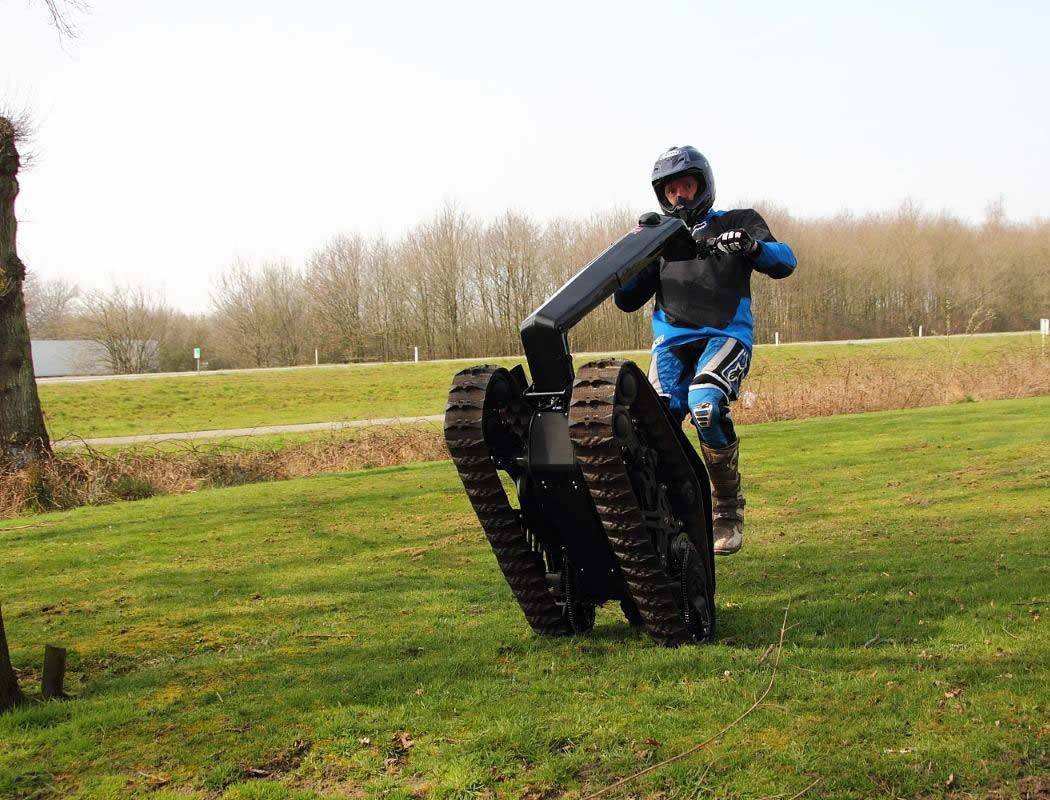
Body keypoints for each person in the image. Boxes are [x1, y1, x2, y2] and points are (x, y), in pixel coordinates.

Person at [614, 145, 797, 555]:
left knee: (705, 405)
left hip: (726, 335)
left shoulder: (738, 222)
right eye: (671, 189)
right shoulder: (658, 239)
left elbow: (786, 261)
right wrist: (634, 253)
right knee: (651, 424)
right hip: (670, 343)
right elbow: (625, 300)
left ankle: (727, 508)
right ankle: (664, 510)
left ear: (703, 185)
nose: (679, 195)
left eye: (687, 185)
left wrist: (750, 246)